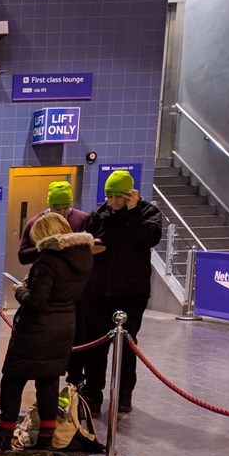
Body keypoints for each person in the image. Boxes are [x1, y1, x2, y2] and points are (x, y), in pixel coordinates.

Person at [0, 213, 96, 452]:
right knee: (48, 382)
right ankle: (46, 441)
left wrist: (20, 290)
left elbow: (37, 302)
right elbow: (63, 292)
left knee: (12, 381)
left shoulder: (48, 260)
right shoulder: (82, 256)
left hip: (36, 330)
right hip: (64, 327)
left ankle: (4, 438)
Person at [77, 170, 162, 415]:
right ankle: (93, 395)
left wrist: (133, 211)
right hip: (98, 290)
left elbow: (149, 238)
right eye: (109, 197)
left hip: (130, 292)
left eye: (118, 197)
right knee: (95, 346)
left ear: (130, 195)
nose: (112, 202)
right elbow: (86, 240)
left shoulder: (148, 213)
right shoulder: (99, 214)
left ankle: (124, 395)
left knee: (126, 345)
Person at [17, 181, 88, 266]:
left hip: (75, 274)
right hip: (46, 271)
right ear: (49, 206)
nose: (62, 212)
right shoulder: (35, 224)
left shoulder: (82, 219)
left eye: (66, 208)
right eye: (57, 209)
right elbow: (23, 257)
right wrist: (45, 247)